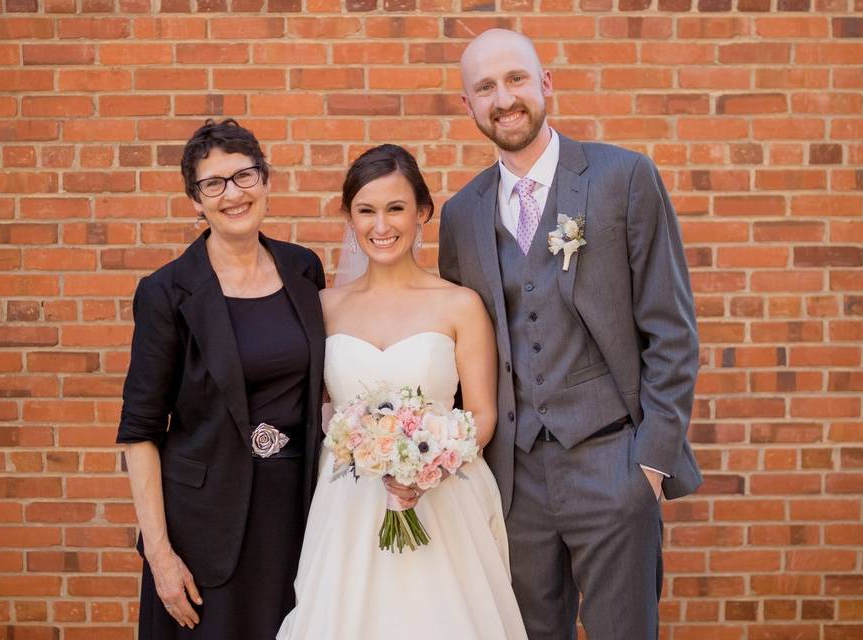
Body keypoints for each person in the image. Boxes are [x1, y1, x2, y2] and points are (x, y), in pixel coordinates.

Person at [439, 29, 702, 640]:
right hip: (514, 478)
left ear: (545, 84)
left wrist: (651, 465)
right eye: (485, 88)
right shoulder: (461, 214)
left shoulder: (623, 177)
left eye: (515, 80)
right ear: (468, 106)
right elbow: (463, 348)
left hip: (614, 463)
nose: (504, 99)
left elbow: (671, 329)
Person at [277, 144, 528, 640]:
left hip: (444, 499)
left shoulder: (460, 305)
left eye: (395, 208)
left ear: (423, 213)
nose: (381, 225)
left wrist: (429, 466)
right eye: (365, 210)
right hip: (349, 505)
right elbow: (317, 407)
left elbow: (481, 413)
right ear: (349, 217)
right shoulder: (322, 308)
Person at [116, 118, 327, 639]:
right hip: (204, 528)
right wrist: (161, 556)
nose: (233, 194)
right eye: (214, 183)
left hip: (297, 517)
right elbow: (140, 431)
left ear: (266, 182)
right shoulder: (167, 293)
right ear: (196, 200)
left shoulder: (304, 269)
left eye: (245, 176)